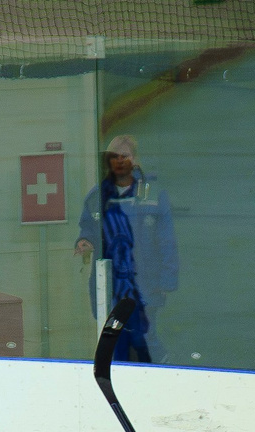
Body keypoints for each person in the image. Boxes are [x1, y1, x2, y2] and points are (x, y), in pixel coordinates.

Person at [74, 134, 178, 363]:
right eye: (114, 156)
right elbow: (88, 227)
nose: (120, 161)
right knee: (113, 339)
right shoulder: (97, 196)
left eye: (125, 155)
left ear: (135, 160)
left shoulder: (153, 194)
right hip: (110, 284)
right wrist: (85, 241)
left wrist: (167, 281)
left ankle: (161, 370)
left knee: (145, 337)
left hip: (145, 282)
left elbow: (167, 241)